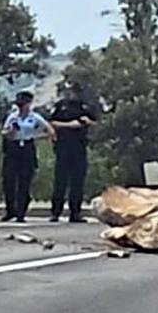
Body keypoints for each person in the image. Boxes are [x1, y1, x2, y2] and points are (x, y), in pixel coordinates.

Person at [1, 90, 54, 223]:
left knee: (24, 181)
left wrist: (34, 137)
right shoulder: (12, 117)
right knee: (9, 180)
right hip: (13, 147)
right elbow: (4, 132)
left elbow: (50, 131)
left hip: (27, 148)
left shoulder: (35, 117)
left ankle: (21, 212)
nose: (21, 106)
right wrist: (11, 131)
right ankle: (10, 210)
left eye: (23, 104)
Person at [48, 81, 97, 223]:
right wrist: (70, 125)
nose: (73, 94)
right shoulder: (61, 106)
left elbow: (96, 123)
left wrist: (87, 122)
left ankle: (75, 212)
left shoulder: (85, 106)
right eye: (71, 91)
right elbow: (51, 122)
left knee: (77, 181)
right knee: (60, 180)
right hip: (63, 147)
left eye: (76, 91)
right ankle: (56, 211)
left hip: (79, 147)